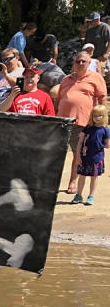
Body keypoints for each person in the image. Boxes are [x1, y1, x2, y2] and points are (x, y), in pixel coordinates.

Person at [57, 51, 108, 194]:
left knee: (77, 154)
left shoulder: (96, 78)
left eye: (83, 61)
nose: (80, 64)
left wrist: (102, 121)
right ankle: (51, 182)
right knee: (56, 154)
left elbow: (102, 99)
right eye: (78, 61)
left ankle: (72, 182)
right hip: (62, 122)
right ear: (74, 63)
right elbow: (59, 99)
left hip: (82, 122)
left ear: (89, 63)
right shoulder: (66, 79)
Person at [72, 104, 110, 205]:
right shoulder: (88, 128)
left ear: (105, 116)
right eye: (95, 115)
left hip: (97, 158)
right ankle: (78, 195)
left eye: (100, 115)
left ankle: (91, 196)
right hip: (84, 157)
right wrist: (78, 156)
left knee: (94, 177)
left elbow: (107, 145)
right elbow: (80, 142)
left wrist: (101, 143)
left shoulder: (105, 130)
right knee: (82, 176)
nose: (97, 118)